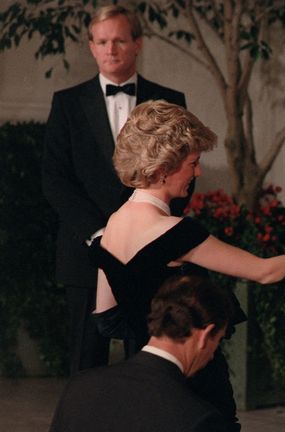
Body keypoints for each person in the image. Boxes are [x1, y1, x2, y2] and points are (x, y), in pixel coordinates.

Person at [88, 100, 285, 431]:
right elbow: (265, 271)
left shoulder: (112, 226)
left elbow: (106, 320)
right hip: (196, 382)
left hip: (146, 381)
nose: (198, 172)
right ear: (163, 169)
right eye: (193, 163)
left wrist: (146, 333)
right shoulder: (175, 232)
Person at [41, 4, 187, 375]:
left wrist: (152, 232)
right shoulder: (68, 103)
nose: (111, 49)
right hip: (84, 253)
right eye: (102, 41)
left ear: (137, 43)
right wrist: (100, 233)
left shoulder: (169, 101)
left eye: (120, 40)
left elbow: (184, 174)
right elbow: (55, 179)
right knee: (85, 363)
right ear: (91, 46)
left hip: (150, 250)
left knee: (150, 359)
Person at [49, 275, 233, 432]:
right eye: (217, 341)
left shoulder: (79, 387)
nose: (211, 356)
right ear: (205, 335)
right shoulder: (199, 419)